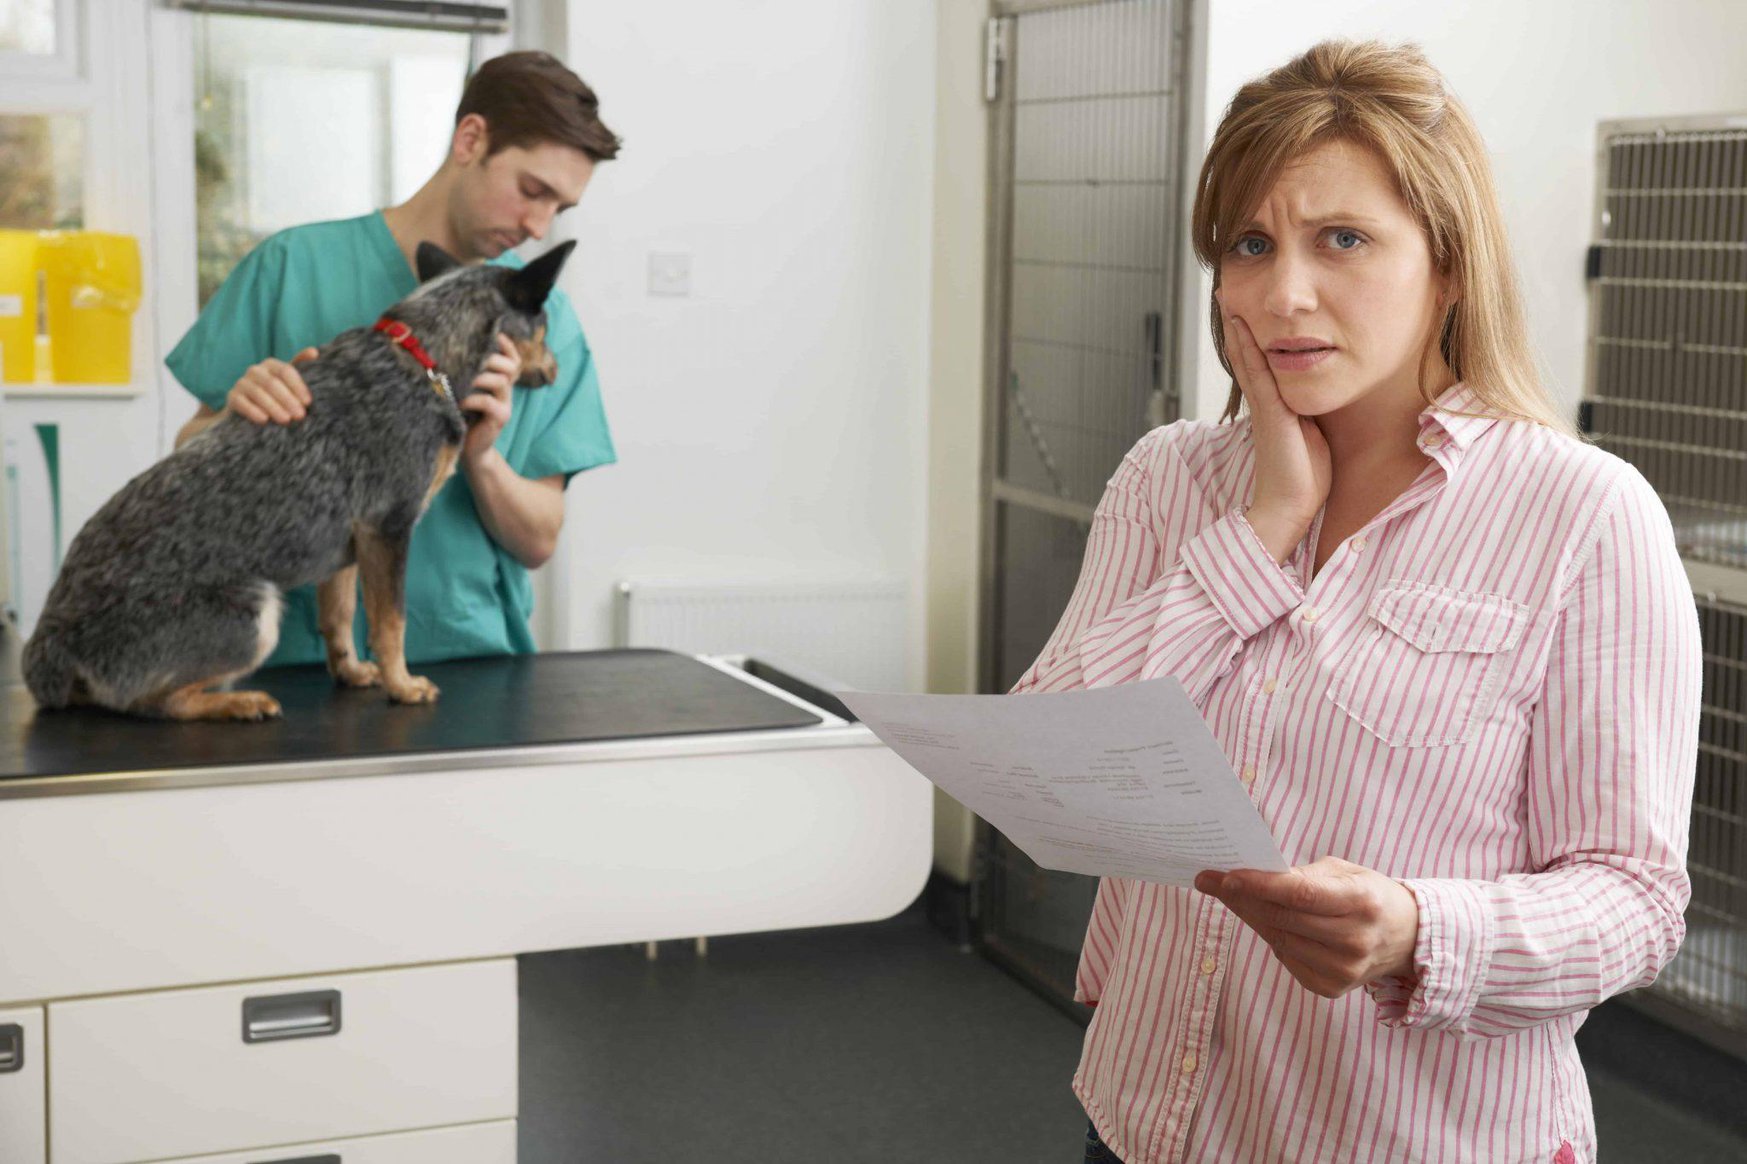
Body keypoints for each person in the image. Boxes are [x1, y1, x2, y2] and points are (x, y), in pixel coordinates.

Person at [1012, 41, 1700, 1164]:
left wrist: (1419, 932)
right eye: (1249, 244)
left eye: (1342, 239)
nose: (1283, 294)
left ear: (1449, 266)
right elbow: (1049, 774)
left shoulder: (1582, 513)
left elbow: (1633, 900)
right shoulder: (1170, 478)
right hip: (1145, 1123)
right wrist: (1263, 525)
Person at [168, 51, 620, 666]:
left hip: (469, 660)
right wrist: (234, 418)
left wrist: (481, 457)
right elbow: (186, 458)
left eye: (559, 209)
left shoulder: (543, 318)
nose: (539, 226)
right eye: (532, 191)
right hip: (293, 662)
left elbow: (539, 540)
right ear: (470, 140)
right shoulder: (291, 268)